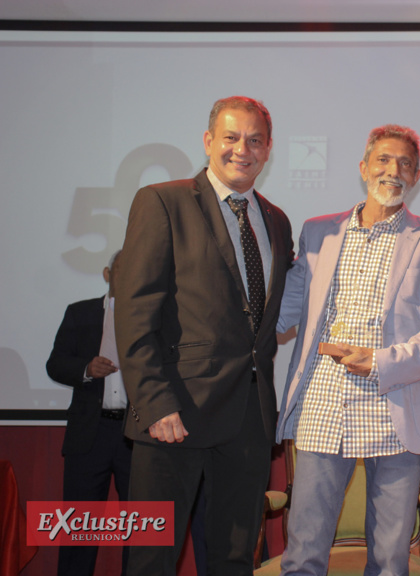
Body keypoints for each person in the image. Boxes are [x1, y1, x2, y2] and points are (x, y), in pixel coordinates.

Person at [114, 96, 294, 575]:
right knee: (152, 559)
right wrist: (154, 402)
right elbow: (135, 312)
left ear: (269, 148)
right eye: (232, 137)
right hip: (174, 417)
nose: (243, 149)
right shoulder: (162, 201)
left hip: (250, 421)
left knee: (235, 559)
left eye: (255, 140)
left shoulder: (276, 220)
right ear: (208, 141)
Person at [275, 124, 420, 576]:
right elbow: (281, 314)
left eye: (404, 164)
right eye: (382, 159)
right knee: (303, 551)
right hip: (324, 401)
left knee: (389, 558)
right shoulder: (318, 232)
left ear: (416, 176)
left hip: (397, 403)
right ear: (363, 168)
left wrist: (380, 362)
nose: (392, 170)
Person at [47, 250, 132, 576]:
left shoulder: (151, 316)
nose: (127, 276)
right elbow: (55, 364)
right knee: (79, 528)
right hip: (90, 435)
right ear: (107, 274)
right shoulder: (79, 313)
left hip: (135, 436)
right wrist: (85, 368)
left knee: (140, 529)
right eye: (121, 269)